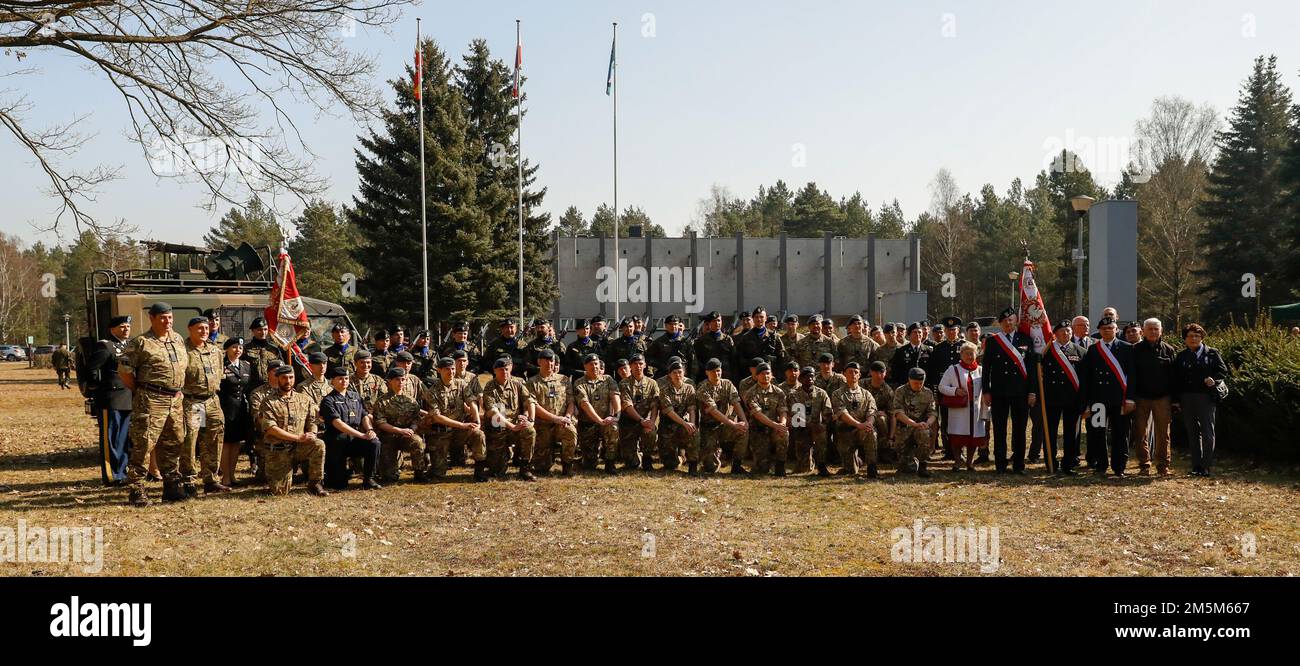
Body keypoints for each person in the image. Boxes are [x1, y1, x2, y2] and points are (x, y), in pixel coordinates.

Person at [119, 302, 190, 506]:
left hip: (175, 400)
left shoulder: (177, 339)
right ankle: (137, 489)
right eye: (162, 318)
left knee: (174, 442)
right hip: (151, 399)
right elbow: (123, 371)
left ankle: (172, 487)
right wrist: (141, 390)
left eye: (170, 317)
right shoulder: (141, 342)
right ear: (152, 318)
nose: (167, 321)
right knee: (144, 444)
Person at [981, 308, 1037, 474]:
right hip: (999, 393)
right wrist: (986, 391)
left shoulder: (1026, 340)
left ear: (1016, 321)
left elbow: (1032, 369)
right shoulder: (993, 341)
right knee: (1000, 429)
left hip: (1021, 392)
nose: (1008, 323)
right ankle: (1000, 464)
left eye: (1011, 320)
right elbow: (986, 369)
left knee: (1020, 430)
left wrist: (1032, 391)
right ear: (1000, 323)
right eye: (1005, 321)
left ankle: (1019, 465)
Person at [258, 365, 328, 496]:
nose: (288, 381)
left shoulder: (304, 399)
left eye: (291, 377)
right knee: (279, 492)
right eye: (284, 378)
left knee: (318, 444)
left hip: (299, 447)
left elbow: (312, 421)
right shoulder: (268, 402)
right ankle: (277, 477)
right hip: (279, 450)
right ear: (278, 378)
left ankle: (315, 483)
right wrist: (297, 438)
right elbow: (271, 429)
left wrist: (312, 433)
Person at [1080, 317, 1136, 477]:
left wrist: (1130, 399)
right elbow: (1087, 378)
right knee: (1098, 433)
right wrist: (1087, 403)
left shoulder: (1127, 348)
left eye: (1110, 328)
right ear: (1099, 331)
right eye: (1104, 329)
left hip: (1120, 400)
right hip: (1098, 401)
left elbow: (1132, 375)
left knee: (1120, 433)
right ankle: (1101, 464)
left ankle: (1119, 467)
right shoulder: (1093, 349)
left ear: (1116, 329)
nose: (1107, 331)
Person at [181, 316, 229, 495]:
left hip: (212, 400)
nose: (204, 332)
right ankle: (188, 480)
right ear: (190, 329)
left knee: (214, 439)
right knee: (190, 442)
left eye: (206, 329)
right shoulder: (183, 351)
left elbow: (220, 373)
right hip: (193, 401)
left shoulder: (215, 350)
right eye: (199, 328)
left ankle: (211, 479)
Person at [1171, 324, 1227, 477]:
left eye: (1197, 336)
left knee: (1208, 433)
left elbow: (1223, 371)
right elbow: (1176, 380)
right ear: (1185, 339)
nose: (1193, 338)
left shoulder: (1212, 353)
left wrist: (1214, 380)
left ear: (1202, 337)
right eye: (1190, 336)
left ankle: (1206, 466)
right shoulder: (1181, 356)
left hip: (1206, 398)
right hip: (1187, 398)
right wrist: (1176, 400)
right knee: (1192, 432)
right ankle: (1196, 466)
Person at [86, 315, 133, 485]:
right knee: (111, 439)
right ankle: (112, 475)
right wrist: (95, 387)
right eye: (122, 326)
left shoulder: (129, 346)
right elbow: (91, 368)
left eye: (127, 326)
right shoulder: (105, 345)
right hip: (111, 398)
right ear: (112, 329)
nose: (126, 329)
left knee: (123, 438)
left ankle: (123, 471)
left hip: (127, 397)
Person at [319, 366, 381, 490]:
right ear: (332, 381)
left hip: (354, 438)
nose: (344, 381)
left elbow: (364, 415)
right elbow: (338, 423)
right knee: (339, 484)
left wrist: (369, 429)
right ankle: (336, 476)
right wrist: (361, 435)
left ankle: (369, 479)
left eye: (346, 378)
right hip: (336, 441)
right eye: (340, 379)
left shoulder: (355, 396)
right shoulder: (328, 400)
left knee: (374, 443)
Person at [426, 357, 487, 480]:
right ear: (439, 370)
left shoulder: (462, 384)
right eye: (447, 369)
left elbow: (472, 402)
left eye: (453, 369)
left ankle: (480, 471)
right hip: (442, 433)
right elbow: (437, 417)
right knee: (438, 474)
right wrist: (462, 425)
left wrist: (477, 421)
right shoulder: (432, 391)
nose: (451, 372)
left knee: (478, 434)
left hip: (461, 431)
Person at [1040, 321, 1086, 475]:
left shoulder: (1080, 351)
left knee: (1071, 433)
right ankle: (1051, 463)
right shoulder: (1046, 351)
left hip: (1072, 398)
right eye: (1062, 331)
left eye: (1068, 331)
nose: (1065, 334)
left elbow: (1085, 378)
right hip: (1051, 398)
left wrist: (1084, 400)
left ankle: (1069, 464)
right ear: (1056, 334)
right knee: (1050, 432)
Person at [1132, 318, 1176, 476]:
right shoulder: (1135, 350)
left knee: (1163, 433)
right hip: (1141, 397)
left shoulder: (1169, 350)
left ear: (1161, 331)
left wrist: (1174, 399)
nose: (1153, 332)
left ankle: (1163, 465)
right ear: (1143, 331)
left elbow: (1174, 377)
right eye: (1149, 329)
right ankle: (1144, 464)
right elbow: (1131, 375)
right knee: (1140, 432)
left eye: (1156, 329)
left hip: (1162, 398)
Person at [373, 367, 432, 484]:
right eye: (397, 380)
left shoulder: (411, 401)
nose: (400, 382)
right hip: (387, 438)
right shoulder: (382, 401)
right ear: (389, 381)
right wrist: (400, 431)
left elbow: (416, 419)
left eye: (403, 379)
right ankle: (387, 471)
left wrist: (412, 429)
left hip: (406, 436)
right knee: (390, 478)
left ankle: (419, 472)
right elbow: (381, 423)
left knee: (418, 442)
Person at [480, 357, 536, 480]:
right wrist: (512, 427)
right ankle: (504, 455)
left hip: (516, 425)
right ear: (494, 371)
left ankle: (525, 468)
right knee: (497, 471)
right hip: (498, 429)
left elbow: (530, 401)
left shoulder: (518, 383)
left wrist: (530, 419)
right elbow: (493, 412)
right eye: (501, 370)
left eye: (506, 369)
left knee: (529, 431)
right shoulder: (490, 387)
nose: (504, 372)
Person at [526, 350, 578, 476]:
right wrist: (555, 418)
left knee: (570, 431)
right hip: (542, 425)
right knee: (542, 468)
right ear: (539, 362)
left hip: (562, 423)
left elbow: (571, 402)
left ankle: (567, 465)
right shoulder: (532, 382)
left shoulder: (564, 380)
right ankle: (545, 459)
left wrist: (567, 417)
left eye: (552, 360)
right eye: (547, 360)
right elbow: (534, 406)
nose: (550, 363)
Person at [938, 343, 986, 472]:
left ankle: (970, 463)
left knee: (973, 437)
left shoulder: (981, 370)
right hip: (959, 409)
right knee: (958, 437)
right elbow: (941, 387)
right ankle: (958, 461)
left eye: (972, 353)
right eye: (967, 354)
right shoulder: (953, 369)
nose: (970, 356)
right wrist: (955, 391)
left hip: (975, 409)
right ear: (961, 355)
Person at [696, 357, 748, 474]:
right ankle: (713, 457)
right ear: (707, 373)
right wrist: (733, 424)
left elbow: (736, 403)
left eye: (718, 370)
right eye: (713, 371)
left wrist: (744, 422)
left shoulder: (727, 384)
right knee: (711, 468)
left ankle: (737, 465)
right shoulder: (702, 388)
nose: (716, 373)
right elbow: (714, 411)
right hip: (708, 428)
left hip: (725, 425)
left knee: (743, 431)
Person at [574, 354, 621, 473]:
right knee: (590, 465)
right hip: (588, 424)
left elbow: (615, 396)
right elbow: (585, 404)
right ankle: (586, 458)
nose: (594, 366)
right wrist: (599, 420)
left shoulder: (608, 379)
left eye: (596, 364)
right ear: (585, 366)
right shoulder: (579, 383)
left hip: (606, 421)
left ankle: (610, 463)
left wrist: (616, 416)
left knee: (613, 428)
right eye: (591, 364)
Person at [831, 362, 878, 477]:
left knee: (871, 432)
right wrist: (858, 424)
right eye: (850, 372)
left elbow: (872, 411)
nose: (853, 374)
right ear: (844, 374)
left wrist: (868, 423)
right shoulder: (837, 394)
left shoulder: (866, 394)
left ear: (859, 375)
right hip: (845, 432)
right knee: (850, 471)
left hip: (862, 430)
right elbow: (842, 413)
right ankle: (855, 461)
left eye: (856, 372)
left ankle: (872, 468)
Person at [218, 337, 252, 488]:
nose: (237, 350)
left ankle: (233, 474)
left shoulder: (246, 365)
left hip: (240, 410)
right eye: (234, 347)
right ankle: (225, 476)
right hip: (225, 408)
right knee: (226, 443)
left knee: (237, 442)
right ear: (226, 349)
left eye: (240, 347)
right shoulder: (221, 365)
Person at [745, 362, 790, 476]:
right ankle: (762, 462)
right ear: (757, 376)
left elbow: (783, 410)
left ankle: (780, 465)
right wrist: (776, 425)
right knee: (762, 469)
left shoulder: (779, 392)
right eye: (762, 374)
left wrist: (782, 424)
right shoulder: (751, 393)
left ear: (772, 374)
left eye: (768, 373)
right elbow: (758, 415)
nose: (765, 376)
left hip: (775, 427)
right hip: (758, 429)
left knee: (784, 433)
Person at [787, 366, 832, 476]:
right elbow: (796, 416)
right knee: (804, 469)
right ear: (801, 379)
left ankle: (821, 464)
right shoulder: (793, 394)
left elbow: (828, 412)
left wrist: (823, 425)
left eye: (812, 376)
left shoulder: (821, 393)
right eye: (806, 376)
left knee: (821, 434)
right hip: (801, 428)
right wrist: (811, 425)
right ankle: (806, 461)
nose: (810, 378)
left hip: (817, 428)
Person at [657, 358, 699, 474]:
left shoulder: (689, 387)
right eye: (674, 373)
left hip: (684, 423)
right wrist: (685, 423)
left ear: (684, 372)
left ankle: (693, 464)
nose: (677, 375)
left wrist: (691, 424)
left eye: (680, 372)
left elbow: (692, 409)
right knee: (670, 465)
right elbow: (669, 411)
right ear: (669, 375)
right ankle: (680, 458)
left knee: (694, 432)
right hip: (668, 424)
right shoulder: (664, 389)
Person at [894, 367, 938, 477]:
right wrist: (914, 424)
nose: (918, 386)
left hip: (921, 428)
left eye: (920, 383)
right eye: (915, 383)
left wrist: (927, 424)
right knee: (906, 469)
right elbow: (898, 413)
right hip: (904, 429)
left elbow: (933, 413)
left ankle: (923, 465)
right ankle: (908, 461)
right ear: (909, 380)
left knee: (924, 433)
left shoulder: (928, 393)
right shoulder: (900, 391)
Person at [693, 311, 738, 381]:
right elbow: (698, 360)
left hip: (725, 377)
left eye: (719, 320)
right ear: (709, 323)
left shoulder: (727, 339)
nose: (717, 323)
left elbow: (733, 360)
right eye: (714, 321)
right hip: (707, 377)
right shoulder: (701, 340)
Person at [648, 314, 693, 379]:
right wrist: (660, 365)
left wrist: (692, 377)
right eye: (670, 324)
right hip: (664, 375)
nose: (673, 326)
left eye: (675, 324)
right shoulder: (659, 341)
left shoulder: (686, 342)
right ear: (666, 326)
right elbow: (648, 357)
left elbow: (692, 361)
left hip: (681, 375)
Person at [889, 323, 930, 388]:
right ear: (909, 335)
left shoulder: (929, 350)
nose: (918, 334)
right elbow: (895, 371)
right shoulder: (901, 351)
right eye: (915, 332)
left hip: (924, 387)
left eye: (919, 332)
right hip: (906, 387)